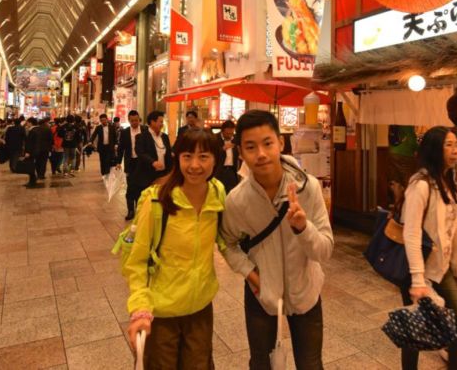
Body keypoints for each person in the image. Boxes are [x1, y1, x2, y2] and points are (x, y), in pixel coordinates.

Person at [220, 110, 333, 370]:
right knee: (261, 363)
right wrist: (251, 274)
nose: (260, 154)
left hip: (306, 291)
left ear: (281, 143)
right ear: (240, 152)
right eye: (250, 146)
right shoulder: (237, 201)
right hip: (261, 295)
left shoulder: (309, 187)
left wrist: (303, 228)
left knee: (311, 363)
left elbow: (325, 250)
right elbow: (226, 242)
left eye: (267, 143)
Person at [124, 129, 225, 369]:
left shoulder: (217, 194)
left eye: (204, 157)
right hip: (161, 314)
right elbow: (136, 261)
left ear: (216, 160)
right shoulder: (157, 201)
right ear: (176, 158)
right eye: (187, 156)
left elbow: (228, 239)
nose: (194, 165)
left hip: (200, 309)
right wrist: (140, 308)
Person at [400, 127, 457, 370]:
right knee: (415, 333)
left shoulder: (447, 180)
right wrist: (418, 279)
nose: (455, 151)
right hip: (421, 270)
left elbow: (452, 224)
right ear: (434, 149)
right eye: (449, 145)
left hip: (441, 268)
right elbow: (410, 233)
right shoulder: (420, 185)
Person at [129, 110, 173, 221]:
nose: (162, 124)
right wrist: (152, 162)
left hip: (162, 175)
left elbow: (168, 153)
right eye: (160, 121)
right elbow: (140, 152)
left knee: (161, 200)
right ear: (152, 122)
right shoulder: (142, 137)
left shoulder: (165, 137)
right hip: (146, 176)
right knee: (146, 202)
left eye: (162, 122)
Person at [118, 110, 143, 217]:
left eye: (136, 120)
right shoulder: (124, 132)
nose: (134, 123)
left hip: (142, 163)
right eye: (132, 121)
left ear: (139, 120)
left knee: (141, 186)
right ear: (129, 120)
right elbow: (121, 148)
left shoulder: (145, 130)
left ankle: (140, 209)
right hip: (130, 163)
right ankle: (130, 210)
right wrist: (118, 162)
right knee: (130, 186)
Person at [24, 117, 53, 186]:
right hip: (45, 149)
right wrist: (50, 148)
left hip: (37, 149)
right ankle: (41, 174)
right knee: (43, 162)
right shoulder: (47, 129)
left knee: (37, 162)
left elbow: (30, 142)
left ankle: (38, 174)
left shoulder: (34, 130)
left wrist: (27, 151)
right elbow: (50, 140)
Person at [215, 119, 240, 193]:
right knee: (219, 192)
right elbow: (211, 153)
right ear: (222, 131)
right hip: (219, 171)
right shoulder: (215, 138)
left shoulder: (235, 139)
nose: (230, 135)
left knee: (232, 192)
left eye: (231, 133)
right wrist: (223, 149)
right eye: (227, 133)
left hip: (232, 171)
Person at [90, 114, 118, 178]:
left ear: (107, 119)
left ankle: (107, 173)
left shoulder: (112, 127)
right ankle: (103, 174)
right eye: (102, 120)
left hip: (110, 147)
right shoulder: (98, 127)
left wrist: (116, 144)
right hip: (102, 148)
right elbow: (94, 135)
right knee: (102, 161)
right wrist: (90, 141)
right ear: (100, 121)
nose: (103, 122)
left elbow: (115, 137)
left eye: (104, 120)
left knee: (108, 160)